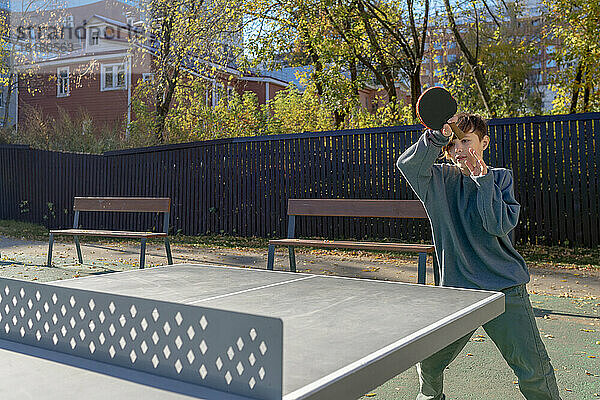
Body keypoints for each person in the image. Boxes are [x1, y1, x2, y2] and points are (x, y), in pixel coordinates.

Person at [396, 113, 562, 400]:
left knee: (532, 369)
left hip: (504, 288)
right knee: (430, 362)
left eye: (465, 141)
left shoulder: (501, 178)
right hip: (458, 293)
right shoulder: (436, 180)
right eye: (452, 144)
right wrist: (437, 136)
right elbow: (406, 164)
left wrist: (482, 180)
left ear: (484, 142)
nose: (458, 149)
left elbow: (496, 225)